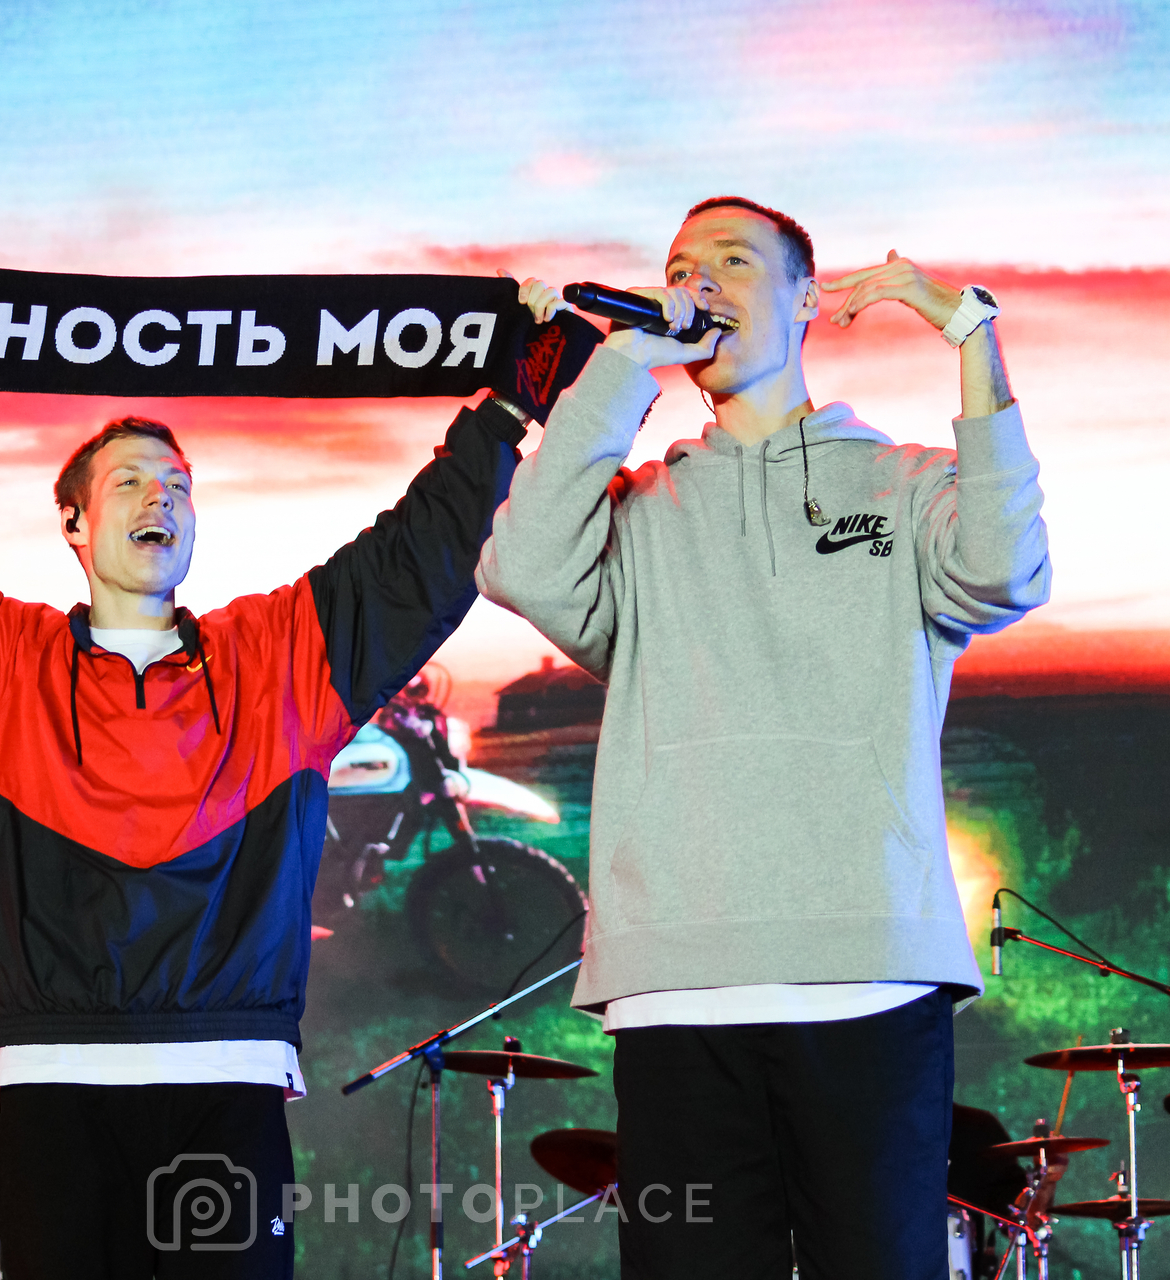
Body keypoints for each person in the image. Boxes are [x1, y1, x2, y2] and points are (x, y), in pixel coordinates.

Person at [0, 267, 569, 1279]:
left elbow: (414, 559)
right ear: (75, 524)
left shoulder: (279, 659)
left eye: (178, 483)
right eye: (129, 481)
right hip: (55, 1084)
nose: (160, 495)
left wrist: (503, 411)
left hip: (227, 1080)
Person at [476, 197, 1051, 1278]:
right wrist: (622, 368)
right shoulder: (638, 512)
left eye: (734, 261)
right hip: (675, 987)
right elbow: (523, 566)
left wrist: (973, 335)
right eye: (679, 268)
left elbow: (1004, 568)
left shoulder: (902, 479)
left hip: (870, 977)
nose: (697, 283)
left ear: (807, 299)